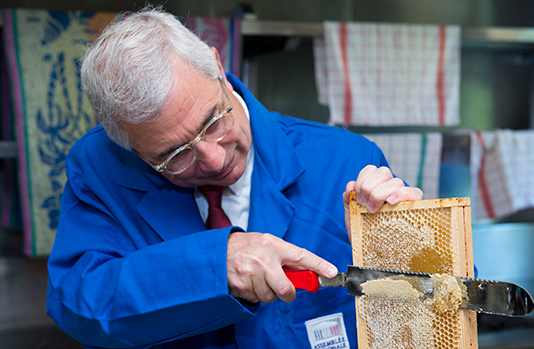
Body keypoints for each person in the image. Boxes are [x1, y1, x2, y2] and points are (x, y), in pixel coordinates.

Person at [46, 7, 423, 349]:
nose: (214, 159)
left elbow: (443, 309)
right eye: (174, 155)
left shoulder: (347, 160)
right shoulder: (100, 168)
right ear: (131, 149)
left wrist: (409, 245)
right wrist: (214, 266)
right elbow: (79, 304)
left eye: (213, 121)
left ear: (216, 65)